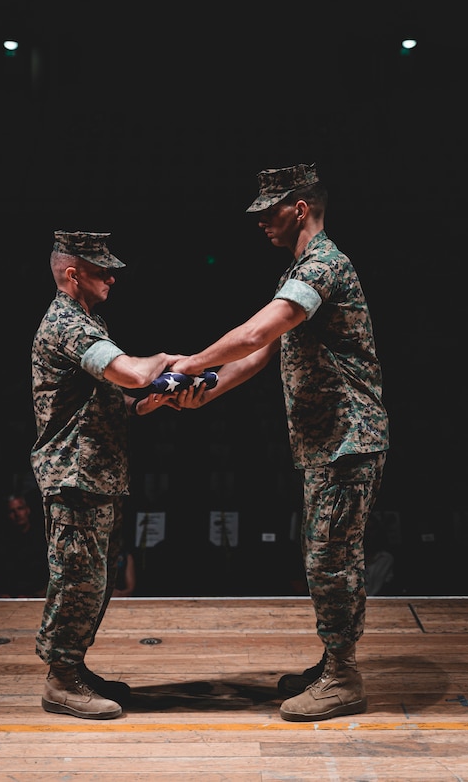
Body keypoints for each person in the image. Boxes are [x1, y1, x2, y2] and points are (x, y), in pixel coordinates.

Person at [171, 163, 389, 722]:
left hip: (347, 439)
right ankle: (334, 662)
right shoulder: (299, 273)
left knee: (330, 559)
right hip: (328, 443)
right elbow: (260, 356)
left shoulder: (322, 266)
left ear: (299, 208)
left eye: (269, 211)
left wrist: (186, 364)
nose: (261, 222)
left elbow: (255, 333)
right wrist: (203, 388)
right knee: (326, 555)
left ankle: (343, 677)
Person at [30, 230, 183, 720]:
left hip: (97, 474)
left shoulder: (89, 321)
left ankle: (74, 667)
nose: (112, 276)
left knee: (94, 581)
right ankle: (61, 679)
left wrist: (143, 405)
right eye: (101, 269)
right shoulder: (67, 325)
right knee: (76, 579)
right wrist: (167, 363)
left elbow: (112, 399)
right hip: (74, 476)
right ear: (73, 275)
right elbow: (131, 373)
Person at [0, 492, 48, 598]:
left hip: (35, 599)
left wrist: (35, 596)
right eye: (11, 511)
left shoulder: (43, 538)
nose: (17, 514)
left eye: (20, 508)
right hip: (3, 600)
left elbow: (56, 575)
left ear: (27, 510)